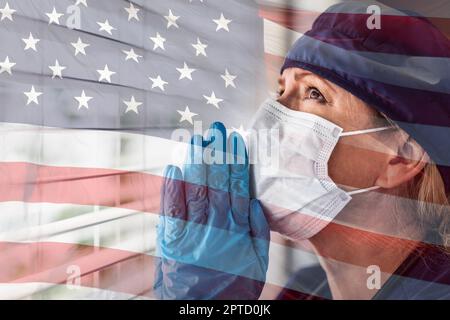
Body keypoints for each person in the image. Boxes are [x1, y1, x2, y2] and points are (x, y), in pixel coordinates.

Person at [154, 2, 450, 300]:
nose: (269, 117)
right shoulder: (304, 290)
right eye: (281, 91)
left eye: (314, 93)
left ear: (401, 157)